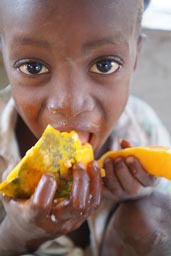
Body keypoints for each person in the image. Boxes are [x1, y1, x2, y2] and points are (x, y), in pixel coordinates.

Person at [0, 0, 171, 255]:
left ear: (135, 57)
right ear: (4, 56)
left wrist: (140, 195)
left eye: (105, 65)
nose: (69, 104)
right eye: (33, 67)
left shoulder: (142, 130)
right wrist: (15, 234)